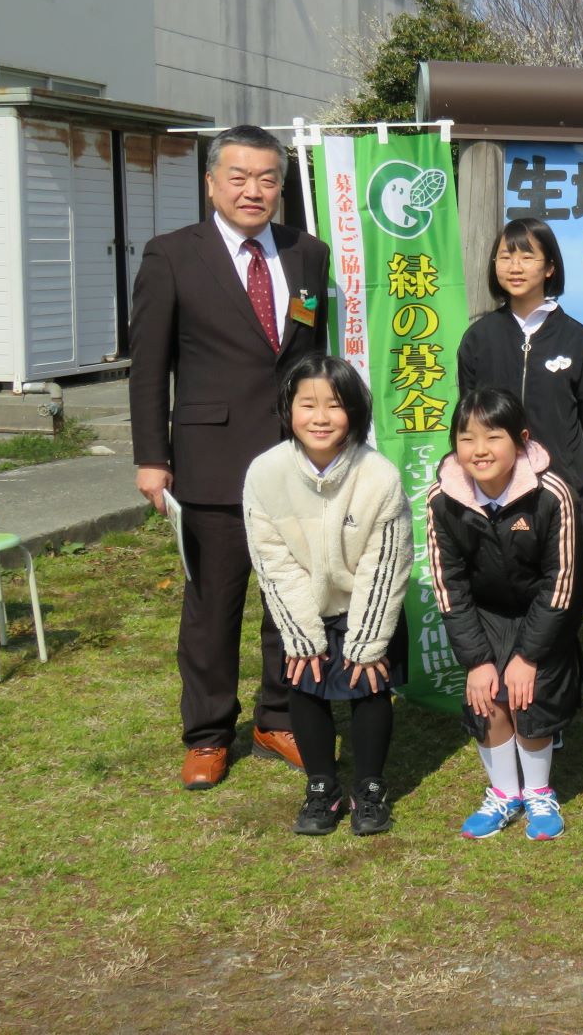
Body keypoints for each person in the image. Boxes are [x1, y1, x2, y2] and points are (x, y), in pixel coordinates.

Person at [129, 124, 331, 791]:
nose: (254, 190)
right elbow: (148, 369)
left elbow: (311, 359)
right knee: (213, 607)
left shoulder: (309, 254)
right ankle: (209, 734)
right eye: (239, 177)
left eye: (267, 178)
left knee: (290, 604)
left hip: (295, 461)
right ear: (211, 182)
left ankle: (279, 718)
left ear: (281, 185)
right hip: (210, 460)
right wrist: (152, 458)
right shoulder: (171, 256)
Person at [242, 356, 410, 835]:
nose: (320, 417)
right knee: (305, 678)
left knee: (370, 682)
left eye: (335, 405)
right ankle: (321, 787)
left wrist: (367, 642)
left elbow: (387, 564)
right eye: (307, 404)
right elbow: (272, 562)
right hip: (302, 604)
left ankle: (370, 787)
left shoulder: (379, 476)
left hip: (366, 603)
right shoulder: (265, 473)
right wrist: (302, 635)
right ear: (287, 409)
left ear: (354, 411)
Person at [428, 388, 583, 842]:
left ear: (520, 442)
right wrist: (477, 660)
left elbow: (561, 581)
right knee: (487, 696)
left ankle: (538, 791)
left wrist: (529, 655)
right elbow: (449, 586)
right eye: (466, 438)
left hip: (542, 609)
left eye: (493, 437)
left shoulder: (552, 493)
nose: (479, 450)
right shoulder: (443, 499)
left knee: (527, 696)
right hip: (484, 612)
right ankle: (504, 793)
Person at [457, 215, 583, 545]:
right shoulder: (478, 339)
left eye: (527, 256)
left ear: (550, 267)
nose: (515, 266)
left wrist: (571, 466)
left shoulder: (576, 340)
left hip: (562, 488)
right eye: (506, 256)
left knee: (565, 584)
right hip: (496, 489)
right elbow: (469, 418)